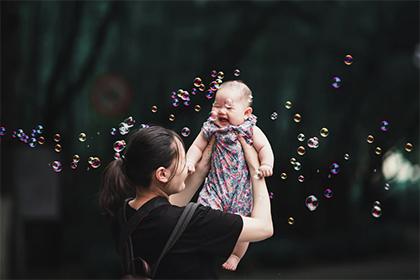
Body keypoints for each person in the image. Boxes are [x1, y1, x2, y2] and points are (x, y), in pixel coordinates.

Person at [99, 125, 273, 279]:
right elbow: (264, 227)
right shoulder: (195, 221)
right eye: (183, 160)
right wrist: (255, 170)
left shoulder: (122, 215)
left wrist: (202, 165)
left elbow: (165, 212)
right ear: (162, 174)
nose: (187, 166)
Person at [186, 80, 274, 271]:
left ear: (246, 113)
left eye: (228, 107)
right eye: (216, 106)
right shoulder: (211, 127)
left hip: (241, 191)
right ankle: (204, 246)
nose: (221, 111)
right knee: (205, 214)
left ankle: (236, 255)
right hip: (215, 187)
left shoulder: (250, 129)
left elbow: (264, 147)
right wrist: (190, 161)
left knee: (244, 224)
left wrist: (266, 164)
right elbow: (197, 146)